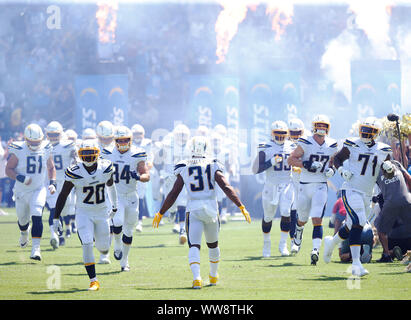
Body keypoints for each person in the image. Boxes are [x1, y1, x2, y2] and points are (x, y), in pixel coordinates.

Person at [152, 136, 251, 289]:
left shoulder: (184, 165)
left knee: (194, 246)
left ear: (190, 148)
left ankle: (197, 278)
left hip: (194, 209)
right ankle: (213, 275)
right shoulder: (212, 163)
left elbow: (173, 193)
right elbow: (226, 186)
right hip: (211, 209)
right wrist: (241, 206)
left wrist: (161, 212)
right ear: (206, 148)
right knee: (213, 245)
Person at [323, 116, 392, 277]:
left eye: (370, 131)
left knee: (350, 225)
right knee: (359, 221)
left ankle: (331, 243)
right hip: (351, 189)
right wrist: (341, 171)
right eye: (364, 129)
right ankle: (356, 264)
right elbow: (337, 159)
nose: (366, 133)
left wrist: (390, 170)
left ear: (376, 133)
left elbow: (388, 176)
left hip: (368, 193)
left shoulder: (383, 149)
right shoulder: (353, 144)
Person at [52, 139, 118, 291]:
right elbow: (63, 194)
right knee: (87, 243)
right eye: (85, 155)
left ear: (97, 154)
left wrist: (114, 205)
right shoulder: (74, 171)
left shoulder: (105, 167)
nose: (88, 158)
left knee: (104, 248)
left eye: (91, 154)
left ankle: (98, 239)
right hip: (84, 213)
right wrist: (56, 217)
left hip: (102, 213)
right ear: (80, 155)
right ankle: (93, 281)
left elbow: (111, 186)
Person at [287, 114, 339, 265]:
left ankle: (315, 251)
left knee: (317, 219)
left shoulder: (332, 144)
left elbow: (334, 162)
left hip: (321, 185)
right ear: (314, 126)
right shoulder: (306, 141)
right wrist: (306, 165)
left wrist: (333, 170)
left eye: (324, 126)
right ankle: (298, 230)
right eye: (319, 125)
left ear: (328, 128)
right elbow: (291, 159)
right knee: (302, 219)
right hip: (304, 184)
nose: (322, 128)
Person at [100, 125, 150, 271]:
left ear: (130, 140)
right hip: (115, 194)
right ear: (115, 140)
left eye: (125, 140)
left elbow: (147, 175)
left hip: (131, 195)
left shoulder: (137, 154)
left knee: (129, 230)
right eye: (120, 140)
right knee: (118, 221)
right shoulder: (108, 152)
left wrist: (139, 177)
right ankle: (116, 244)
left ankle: (124, 261)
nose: (122, 143)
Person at [5, 123, 57, 261]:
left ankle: (36, 249)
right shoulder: (19, 149)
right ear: (26, 139)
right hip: (22, 191)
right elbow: (8, 169)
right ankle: (23, 232)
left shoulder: (46, 147)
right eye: (32, 142)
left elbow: (51, 168)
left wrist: (52, 183)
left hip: (38, 189)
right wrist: (21, 177)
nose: (35, 144)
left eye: (37, 141)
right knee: (23, 221)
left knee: (37, 214)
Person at [252, 120, 295, 257]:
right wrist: (270, 162)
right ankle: (267, 243)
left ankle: (283, 244)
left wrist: (299, 168)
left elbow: (299, 161)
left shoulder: (293, 146)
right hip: (271, 185)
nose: (281, 136)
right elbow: (255, 169)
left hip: (287, 184)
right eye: (278, 133)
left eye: (283, 133)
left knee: (286, 212)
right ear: (272, 133)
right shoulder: (265, 147)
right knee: (268, 216)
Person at [44, 121, 77, 249]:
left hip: (65, 181)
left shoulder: (68, 145)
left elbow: (76, 159)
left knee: (65, 209)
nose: (52, 137)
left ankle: (62, 230)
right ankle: (57, 235)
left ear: (61, 134)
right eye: (50, 134)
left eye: (55, 134)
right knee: (54, 208)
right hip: (50, 181)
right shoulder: (43, 146)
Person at [373, 159, 411, 262]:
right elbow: (409, 178)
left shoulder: (375, 170)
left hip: (391, 202)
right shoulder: (396, 163)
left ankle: (386, 255)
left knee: (380, 230)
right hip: (407, 199)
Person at [161, 124, 191, 244]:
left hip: (183, 177)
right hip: (170, 177)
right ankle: (172, 212)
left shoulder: (190, 146)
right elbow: (162, 158)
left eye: (184, 135)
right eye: (180, 135)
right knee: (172, 204)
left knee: (182, 202)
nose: (182, 138)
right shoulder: (169, 145)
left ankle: (182, 230)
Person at [131, 123, 153, 232]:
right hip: (130, 174)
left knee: (140, 197)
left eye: (139, 134)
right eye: (135, 134)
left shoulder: (147, 143)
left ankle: (139, 222)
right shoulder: (128, 144)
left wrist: (144, 170)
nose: (137, 136)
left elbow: (150, 160)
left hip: (142, 173)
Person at [287, 118, 305, 246]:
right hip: (291, 180)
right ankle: (293, 239)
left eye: (298, 132)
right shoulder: (286, 144)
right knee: (292, 207)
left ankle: (297, 235)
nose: (295, 136)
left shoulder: (308, 142)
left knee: (303, 211)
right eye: (292, 133)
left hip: (305, 180)